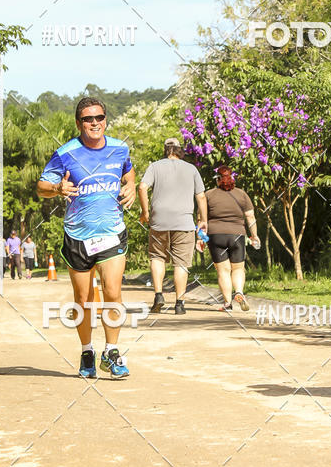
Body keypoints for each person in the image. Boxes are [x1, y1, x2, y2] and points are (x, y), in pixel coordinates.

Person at [37, 96, 135, 379]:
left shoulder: (119, 148)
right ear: (79, 123)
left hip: (111, 233)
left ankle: (112, 353)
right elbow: (42, 186)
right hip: (78, 235)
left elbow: (128, 172)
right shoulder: (66, 153)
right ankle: (87, 350)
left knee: (113, 293)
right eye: (88, 119)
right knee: (83, 300)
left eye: (99, 118)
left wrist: (130, 186)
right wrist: (57, 188)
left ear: (106, 120)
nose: (95, 123)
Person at [138, 137, 207, 315]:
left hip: (158, 220)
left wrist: (145, 212)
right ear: (180, 150)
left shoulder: (155, 166)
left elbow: (142, 187)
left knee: (157, 257)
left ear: (165, 150)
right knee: (181, 263)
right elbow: (201, 197)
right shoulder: (191, 169)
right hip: (184, 222)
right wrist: (203, 219)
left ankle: (159, 295)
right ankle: (179, 303)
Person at [203, 166, 260, 312]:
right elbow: (250, 216)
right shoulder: (241, 194)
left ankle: (227, 303)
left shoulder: (208, 195)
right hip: (237, 235)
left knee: (223, 271)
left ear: (218, 179)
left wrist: (200, 238)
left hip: (216, 236)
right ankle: (239, 292)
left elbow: (201, 219)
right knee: (238, 268)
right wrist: (254, 235)